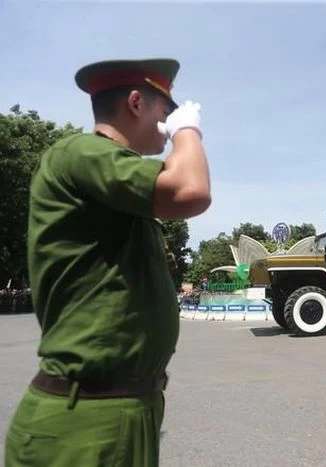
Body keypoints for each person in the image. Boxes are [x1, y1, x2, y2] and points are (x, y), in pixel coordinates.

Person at [4, 58, 211, 466]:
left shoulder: (114, 182)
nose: (168, 124)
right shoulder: (82, 152)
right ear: (136, 103)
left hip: (120, 408)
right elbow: (190, 189)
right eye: (164, 112)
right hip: (87, 419)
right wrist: (188, 130)